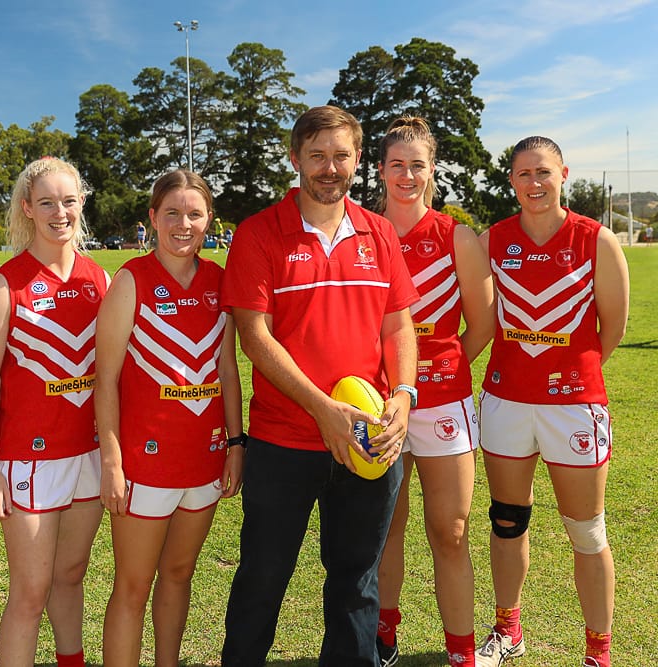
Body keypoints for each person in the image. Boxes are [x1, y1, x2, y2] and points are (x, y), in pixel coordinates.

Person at [220, 104, 419, 667]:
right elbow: (254, 338)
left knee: (357, 579)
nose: (329, 168)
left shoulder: (379, 233)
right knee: (263, 574)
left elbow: (397, 323)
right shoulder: (260, 233)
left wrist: (403, 396)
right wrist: (322, 408)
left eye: (341, 156)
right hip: (285, 440)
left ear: (358, 159)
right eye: (317, 156)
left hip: (369, 438)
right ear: (295, 159)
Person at [475, 137, 629, 667]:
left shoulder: (596, 239)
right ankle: (508, 631)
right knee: (506, 520)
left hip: (574, 406)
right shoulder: (491, 239)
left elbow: (613, 328)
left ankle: (598, 653)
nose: (534, 183)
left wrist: (571, 375)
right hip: (505, 402)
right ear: (511, 181)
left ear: (563, 173)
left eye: (543, 172)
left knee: (586, 531)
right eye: (523, 174)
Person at [95, 169, 245, 667]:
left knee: (180, 573)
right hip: (144, 463)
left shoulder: (221, 282)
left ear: (209, 221)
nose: (184, 224)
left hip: (203, 459)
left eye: (195, 214)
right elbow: (107, 380)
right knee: (133, 586)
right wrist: (113, 463)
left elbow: (227, 368)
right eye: (173, 213)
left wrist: (235, 444)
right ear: (153, 219)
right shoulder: (130, 281)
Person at [0, 157, 108, 667]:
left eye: (69, 201)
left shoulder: (101, 279)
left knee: (71, 578)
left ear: (81, 204)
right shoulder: (7, 284)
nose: (60, 212)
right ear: (28, 208)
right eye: (47, 202)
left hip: (88, 455)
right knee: (30, 593)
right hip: (28, 461)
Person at [373, 117, 495, 667]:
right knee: (385, 528)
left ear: (431, 170)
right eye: (396, 164)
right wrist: (396, 384)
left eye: (416, 164)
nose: (406, 174)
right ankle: (384, 635)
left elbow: (483, 324)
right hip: (380, 407)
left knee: (450, 532)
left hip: (445, 404)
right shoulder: (361, 233)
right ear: (379, 170)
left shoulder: (456, 236)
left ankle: (461, 651)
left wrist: (436, 372)